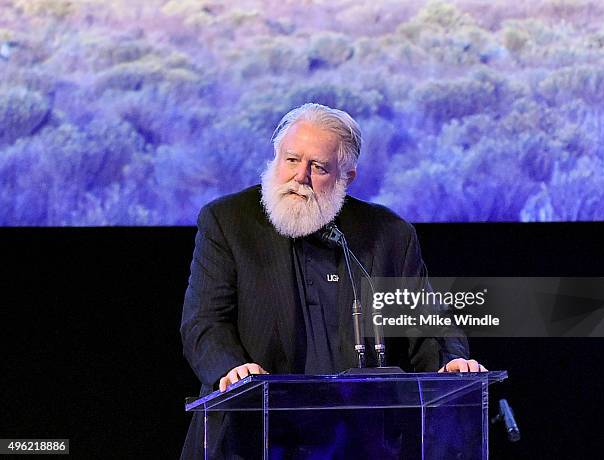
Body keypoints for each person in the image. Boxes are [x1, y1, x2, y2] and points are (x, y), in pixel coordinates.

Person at [180, 103, 485, 459]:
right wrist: (231, 368)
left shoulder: (387, 235)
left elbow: (429, 326)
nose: (300, 177)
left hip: (357, 442)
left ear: (347, 176)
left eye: (318, 167)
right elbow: (204, 322)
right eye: (291, 160)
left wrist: (450, 363)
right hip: (252, 437)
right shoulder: (228, 221)